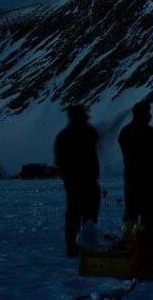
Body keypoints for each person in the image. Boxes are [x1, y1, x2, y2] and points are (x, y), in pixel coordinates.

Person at [54, 105, 100, 257]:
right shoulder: (88, 132)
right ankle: (86, 245)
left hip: (74, 182)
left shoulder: (64, 136)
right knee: (88, 215)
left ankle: (73, 246)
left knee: (75, 215)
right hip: (84, 181)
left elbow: (59, 161)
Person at [118, 102, 153, 240]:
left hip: (135, 179)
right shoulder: (149, 133)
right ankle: (139, 240)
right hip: (145, 179)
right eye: (147, 112)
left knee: (135, 212)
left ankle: (132, 240)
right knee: (146, 213)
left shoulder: (127, 131)